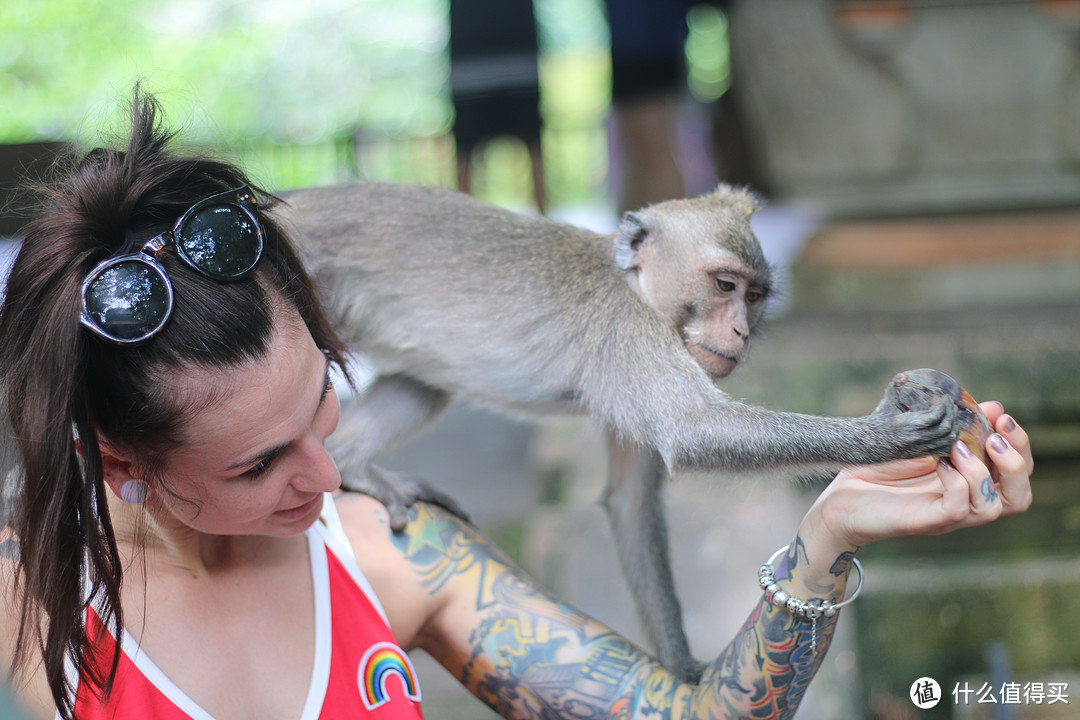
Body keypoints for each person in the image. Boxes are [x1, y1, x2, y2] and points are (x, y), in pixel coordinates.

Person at [0, 92, 1033, 720]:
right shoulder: (29, 598)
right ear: (123, 465)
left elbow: (678, 655)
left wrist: (831, 527)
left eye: (323, 407)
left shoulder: (403, 555)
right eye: (259, 464)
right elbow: (698, 437)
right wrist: (864, 432)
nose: (323, 479)